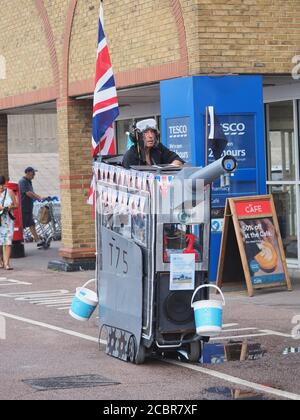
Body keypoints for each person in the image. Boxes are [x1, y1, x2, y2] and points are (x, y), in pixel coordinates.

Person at [18, 167, 45, 247]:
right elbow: (28, 193)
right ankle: (17, 240)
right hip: (24, 207)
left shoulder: (28, 181)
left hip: (28, 207)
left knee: (30, 223)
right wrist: (38, 198)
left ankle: (37, 239)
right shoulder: (22, 181)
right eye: (33, 173)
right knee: (26, 224)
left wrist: (39, 197)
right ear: (28, 172)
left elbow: (32, 192)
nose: (34, 175)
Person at [0, 176, 18, 270]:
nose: (1, 188)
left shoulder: (10, 192)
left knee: (8, 242)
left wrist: (10, 207)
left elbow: (16, 205)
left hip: (7, 221)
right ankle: (0, 261)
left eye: (2, 185)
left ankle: (7, 263)